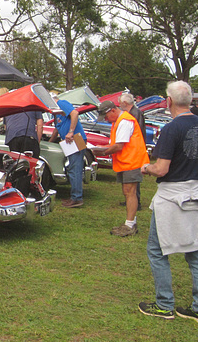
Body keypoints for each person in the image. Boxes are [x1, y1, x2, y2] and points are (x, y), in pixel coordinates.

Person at [138, 81, 198, 324]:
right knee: (196, 251)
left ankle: (164, 304)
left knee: (157, 250)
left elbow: (162, 168)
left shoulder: (171, 129)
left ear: (168, 102)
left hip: (173, 195)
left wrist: (146, 167)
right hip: (197, 192)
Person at [92, 101, 149, 236]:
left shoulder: (125, 121)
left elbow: (119, 146)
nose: (106, 120)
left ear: (113, 110)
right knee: (128, 192)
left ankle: (129, 225)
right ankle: (130, 222)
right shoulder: (120, 121)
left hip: (132, 161)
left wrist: (103, 152)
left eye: (106, 116)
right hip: (127, 161)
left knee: (130, 192)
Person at [49, 94, 88, 207]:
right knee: (72, 168)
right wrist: (50, 142)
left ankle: (77, 198)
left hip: (75, 139)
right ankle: (75, 196)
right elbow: (57, 129)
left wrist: (71, 132)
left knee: (75, 169)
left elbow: (75, 113)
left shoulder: (61, 103)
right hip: (70, 142)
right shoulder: (57, 114)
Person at [119, 93, 146, 209]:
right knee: (130, 177)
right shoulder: (132, 112)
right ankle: (130, 199)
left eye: (120, 103)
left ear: (125, 103)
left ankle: (136, 201)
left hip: (135, 149)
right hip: (132, 148)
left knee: (134, 177)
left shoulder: (135, 113)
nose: (119, 105)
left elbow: (136, 131)